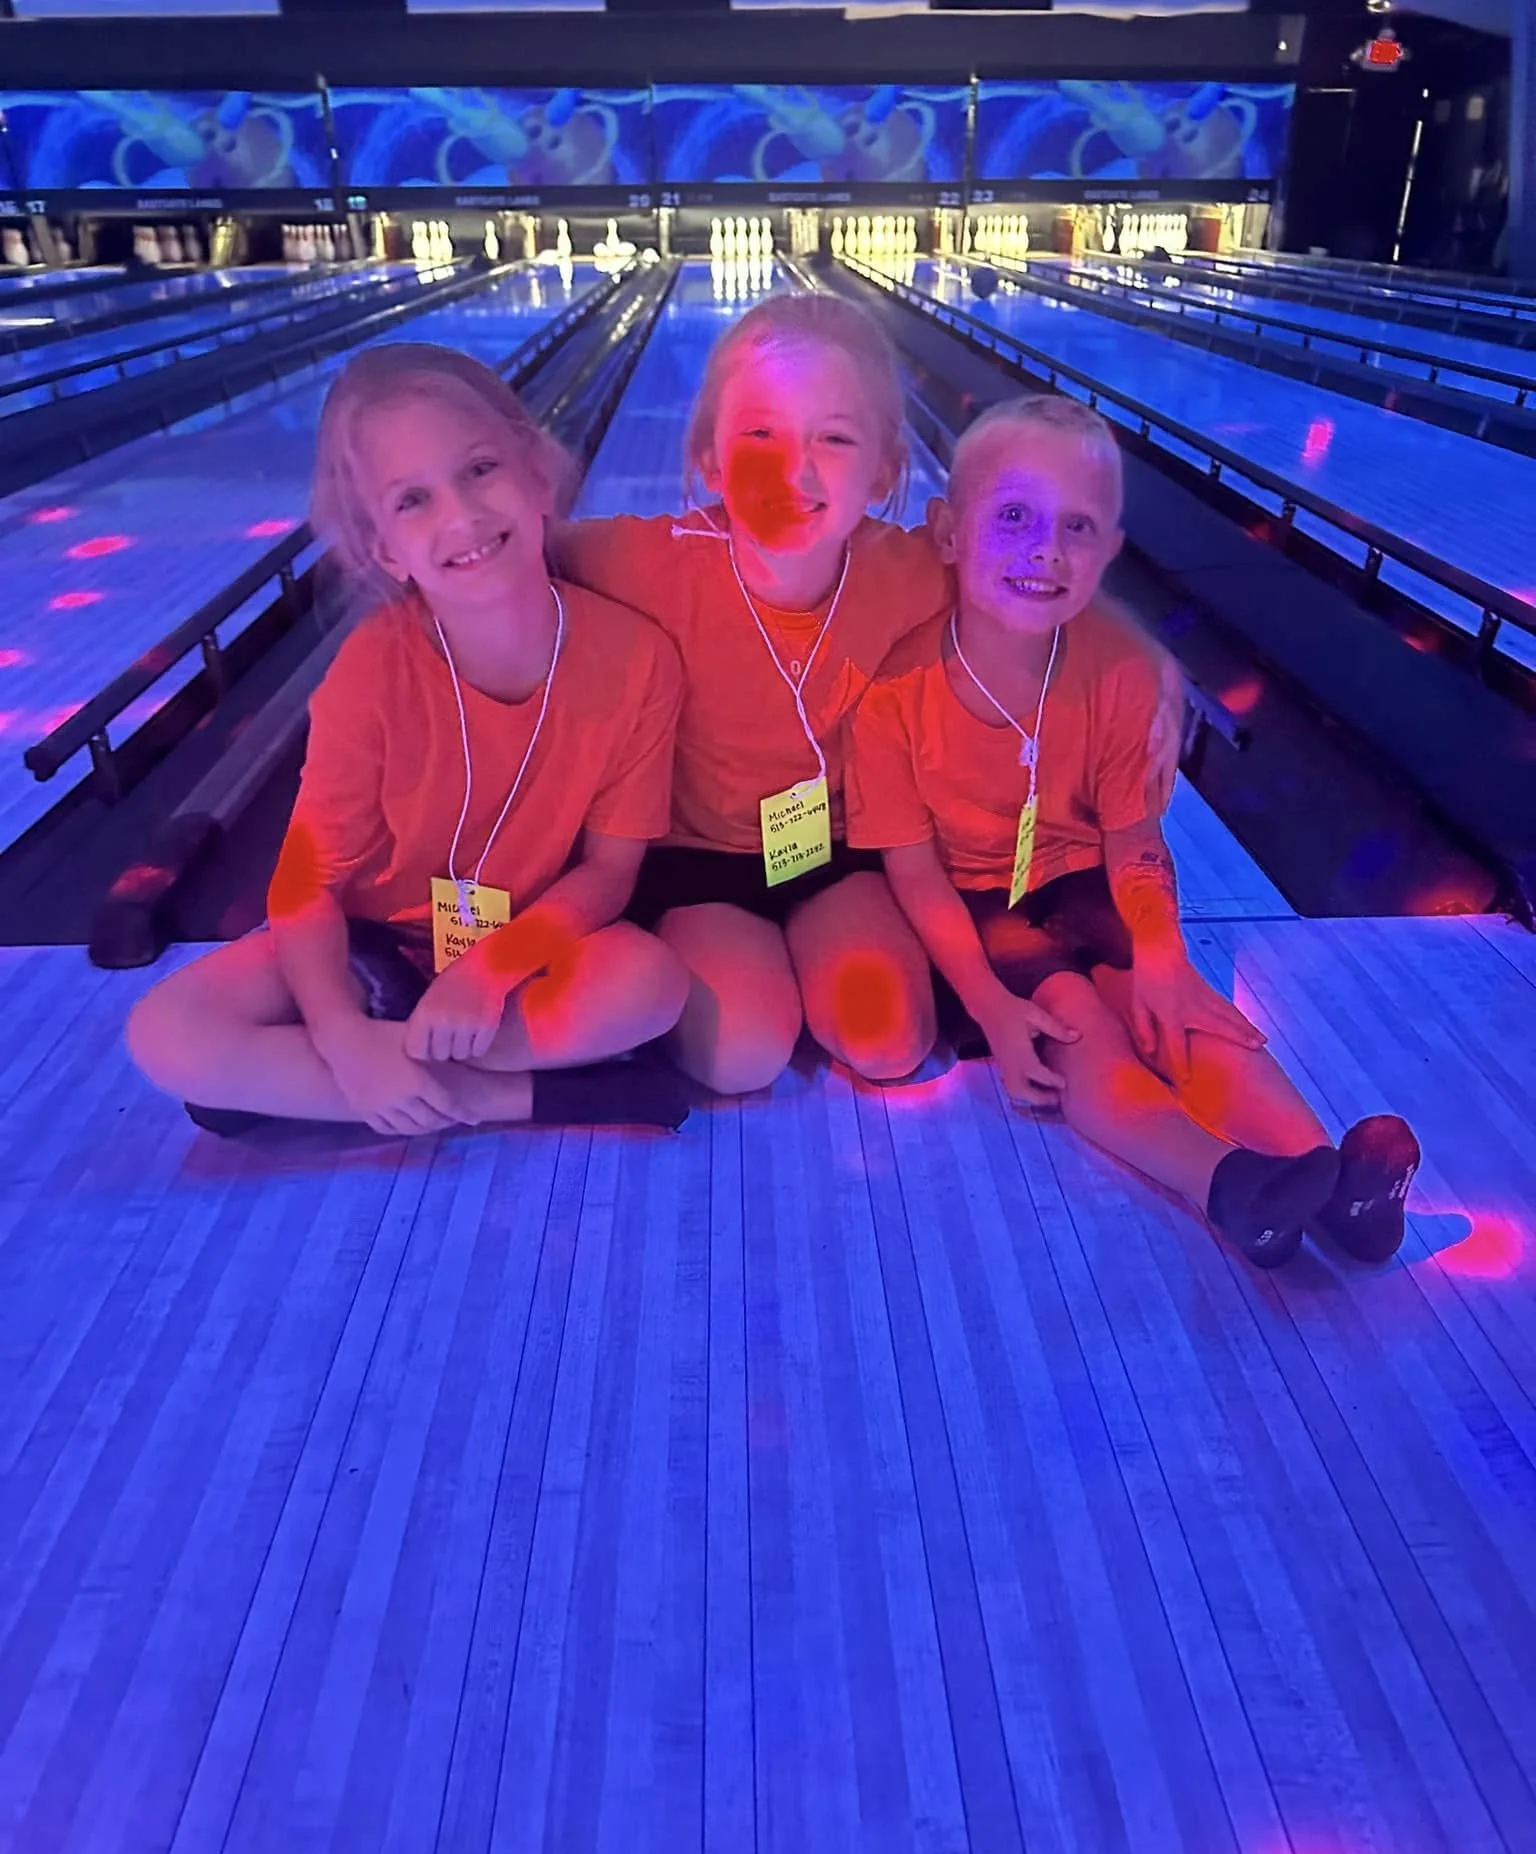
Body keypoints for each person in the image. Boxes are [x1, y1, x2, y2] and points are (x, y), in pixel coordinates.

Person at [845, 394, 1420, 1266]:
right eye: (1013, 517)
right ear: (949, 533)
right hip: (973, 909)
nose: (1046, 549)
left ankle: (1339, 1187)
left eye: (1077, 526)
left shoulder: (1120, 672)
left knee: (1180, 1012)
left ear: (1109, 551)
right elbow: (915, 873)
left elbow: (1134, 836)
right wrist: (987, 1002)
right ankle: (1224, 1185)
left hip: (1086, 882)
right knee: (1077, 1025)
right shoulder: (895, 695)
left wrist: (1160, 954)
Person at [126, 342, 692, 1140]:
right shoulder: (373, 671)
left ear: (537, 475)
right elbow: (304, 886)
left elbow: (608, 873)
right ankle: (531, 1097)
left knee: (651, 985)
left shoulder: (637, 660)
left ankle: (342, 1090)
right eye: (413, 500)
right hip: (367, 946)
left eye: (481, 469)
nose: (461, 516)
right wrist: (341, 1035)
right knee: (167, 1030)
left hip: (519, 953)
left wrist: (486, 974)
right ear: (384, 549)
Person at [554, 291, 951, 1097]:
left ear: (883, 469)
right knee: (741, 1056)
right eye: (760, 434)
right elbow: (497, 557)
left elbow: (1036, 587)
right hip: (694, 864)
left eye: (834, 438)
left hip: (835, 859)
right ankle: (755, 974)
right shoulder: (644, 564)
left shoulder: (909, 572)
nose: (794, 470)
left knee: (888, 1041)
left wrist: (1155, 676)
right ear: (711, 460)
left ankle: (802, 966)